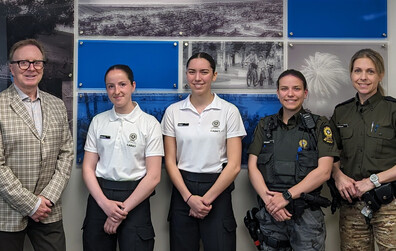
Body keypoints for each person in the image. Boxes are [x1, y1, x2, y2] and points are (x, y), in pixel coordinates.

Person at [161, 52, 246, 251]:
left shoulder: (229, 111)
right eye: (192, 72)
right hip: (183, 191)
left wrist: (205, 200)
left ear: (214, 75)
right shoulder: (173, 111)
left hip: (218, 190)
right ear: (186, 75)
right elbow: (170, 162)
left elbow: (233, 166)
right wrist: (190, 199)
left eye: (204, 72)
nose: (197, 78)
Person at [247, 69, 338, 250]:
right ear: (278, 93)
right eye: (284, 89)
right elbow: (252, 167)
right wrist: (271, 202)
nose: (290, 94)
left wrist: (286, 197)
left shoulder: (319, 125)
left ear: (305, 93)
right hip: (271, 213)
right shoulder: (265, 125)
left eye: (296, 89)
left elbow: (325, 171)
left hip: (306, 216)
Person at [0, 39, 74, 251]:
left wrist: (47, 199)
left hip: (48, 210)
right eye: (23, 62)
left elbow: (66, 154)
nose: (31, 68)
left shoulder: (57, 105)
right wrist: (30, 204)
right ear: (11, 68)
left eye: (37, 62)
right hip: (7, 212)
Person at [82, 64, 163, 251]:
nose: (116, 91)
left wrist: (120, 212)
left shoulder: (150, 124)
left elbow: (154, 176)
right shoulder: (98, 121)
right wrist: (105, 205)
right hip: (100, 198)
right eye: (111, 86)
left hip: (136, 198)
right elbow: (88, 168)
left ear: (133, 86)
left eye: (122, 84)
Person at [329, 48, 396, 250]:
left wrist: (372, 181)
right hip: (351, 205)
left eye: (370, 71)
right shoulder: (341, 112)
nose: (363, 77)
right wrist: (338, 175)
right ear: (351, 74)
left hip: (389, 204)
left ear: (380, 75)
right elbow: (328, 154)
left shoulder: (392, 110)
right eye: (358, 71)